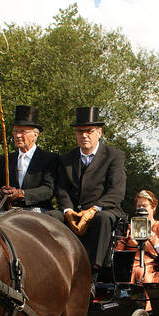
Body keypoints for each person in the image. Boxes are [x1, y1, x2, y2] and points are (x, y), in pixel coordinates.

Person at [51, 106, 126, 273]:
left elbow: (116, 191)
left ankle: (93, 272)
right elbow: (62, 189)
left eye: (89, 131)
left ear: (99, 133)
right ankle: (53, 267)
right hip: (75, 212)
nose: (84, 135)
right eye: (79, 131)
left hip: (103, 209)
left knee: (103, 219)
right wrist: (68, 211)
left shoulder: (114, 156)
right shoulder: (66, 159)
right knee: (50, 217)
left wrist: (93, 209)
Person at [116, 190, 159, 316]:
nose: (141, 209)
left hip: (154, 266)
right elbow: (119, 249)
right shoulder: (130, 227)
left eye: (144, 206)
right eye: (139, 206)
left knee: (145, 274)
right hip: (129, 265)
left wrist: (157, 243)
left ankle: (149, 312)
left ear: (153, 208)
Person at [0, 105, 59, 212]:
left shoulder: (49, 159)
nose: (17, 135)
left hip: (37, 211)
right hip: (8, 213)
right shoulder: (6, 160)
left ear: (35, 135)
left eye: (22, 131)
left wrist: (21, 194)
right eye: (15, 131)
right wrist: (1, 192)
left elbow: (48, 190)